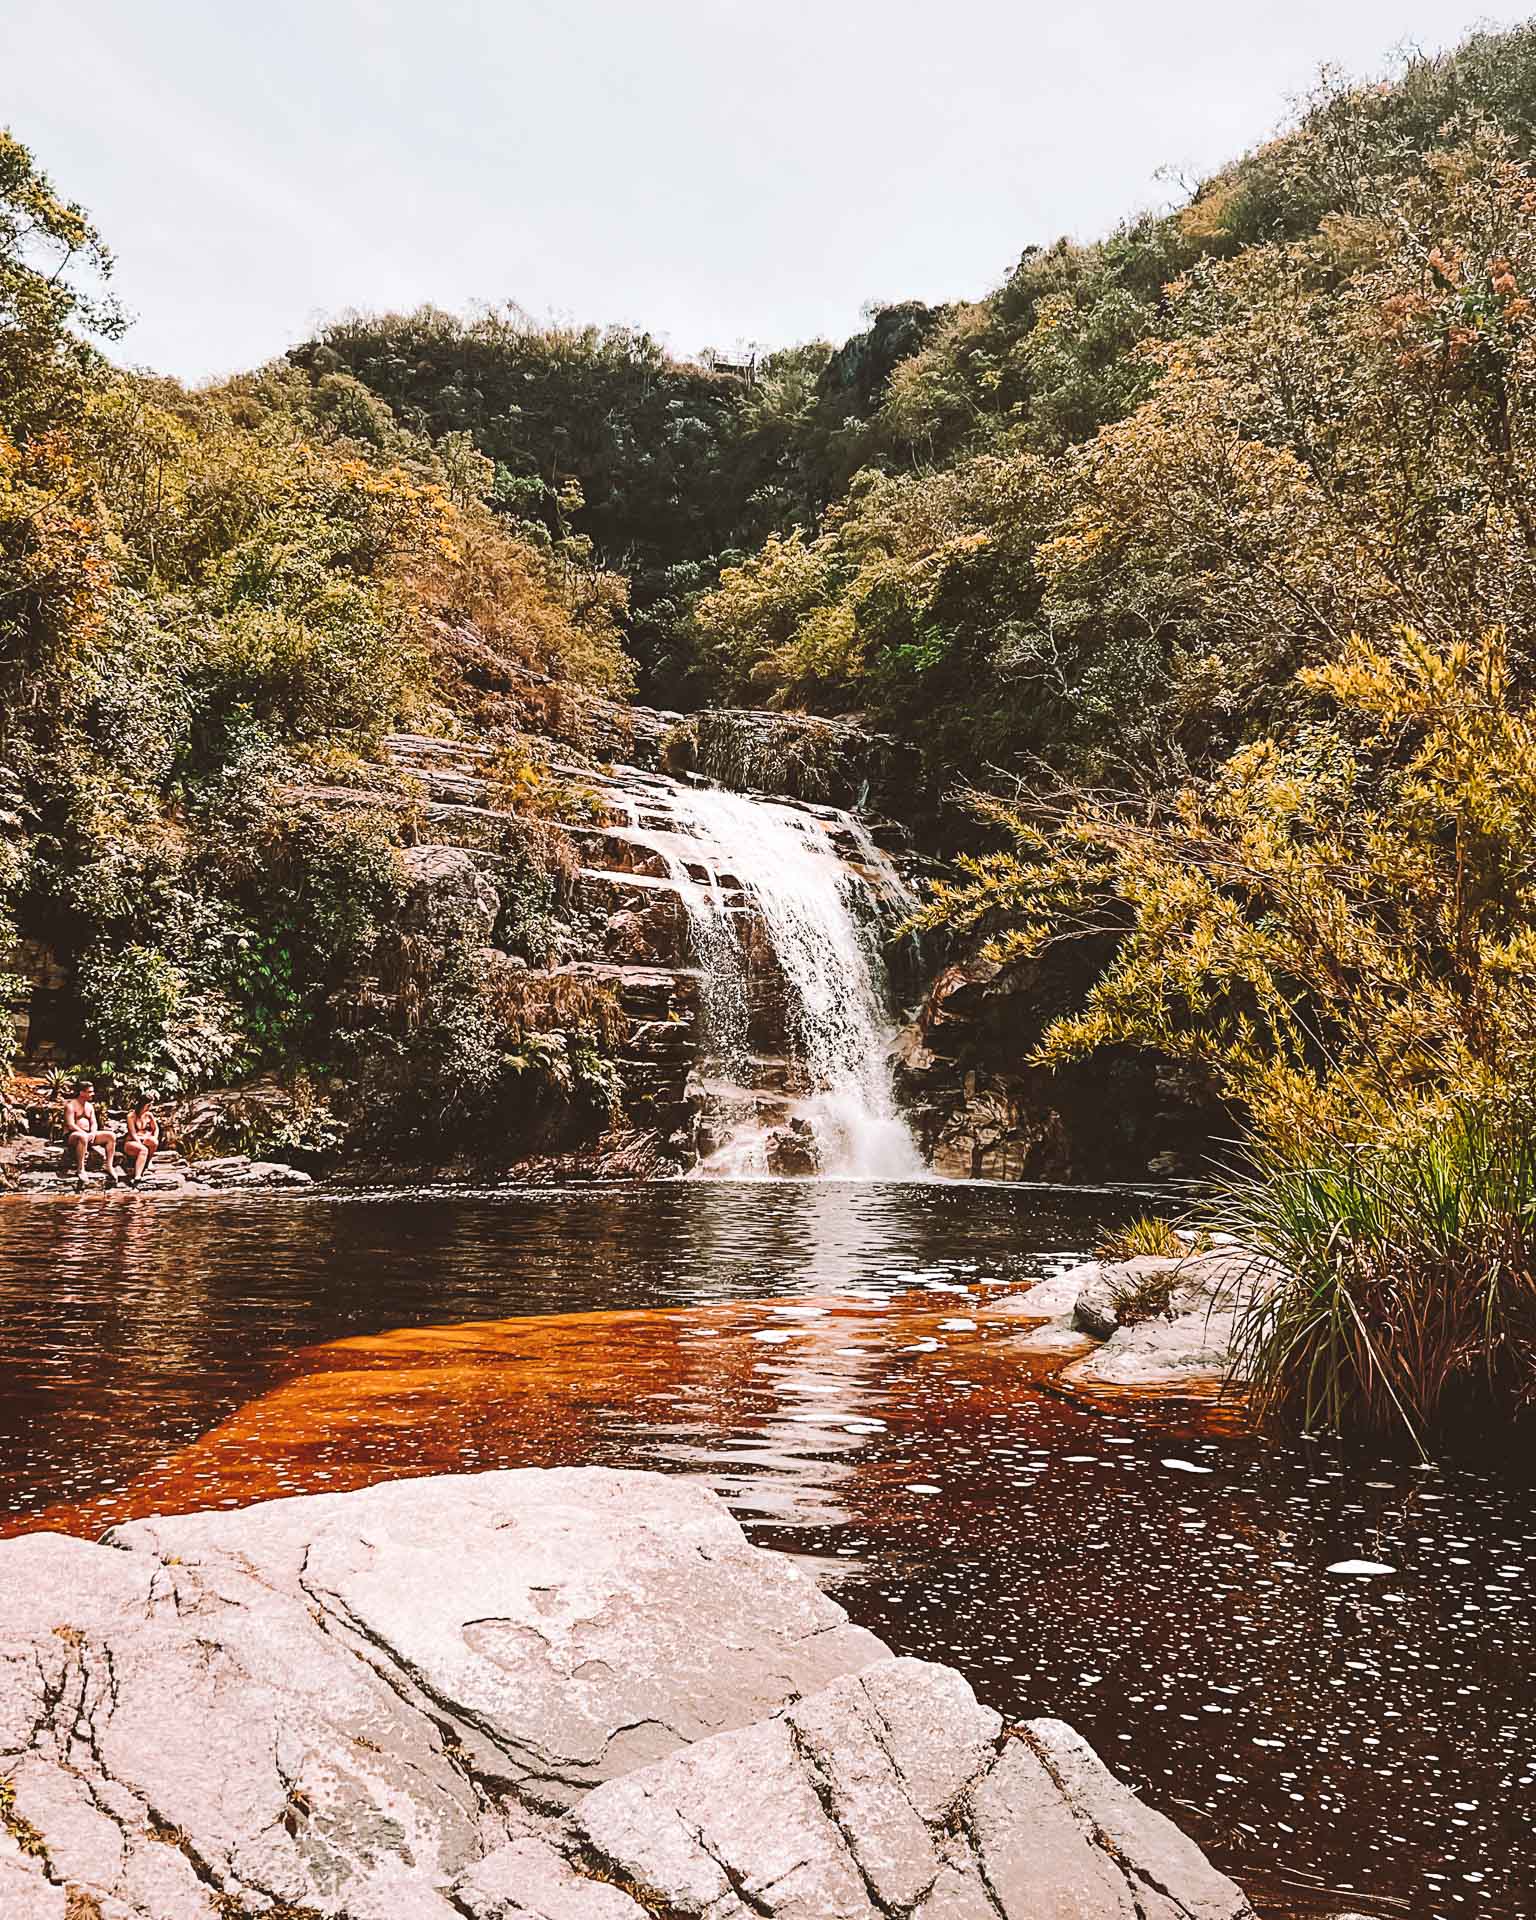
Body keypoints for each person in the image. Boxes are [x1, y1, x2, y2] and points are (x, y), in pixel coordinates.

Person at [62, 1080, 118, 1189]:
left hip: (88, 1135)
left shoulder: (89, 1106)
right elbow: (70, 1124)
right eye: (90, 1092)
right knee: (82, 1137)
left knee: (111, 1136)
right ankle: (80, 1169)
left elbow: (94, 1123)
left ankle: (109, 1165)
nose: (93, 1094)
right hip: (72, 1135)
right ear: (82, 1093)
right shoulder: (70, 1106)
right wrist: (84, 1133)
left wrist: (92, 1133)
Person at [123, 1097, 160, 1183]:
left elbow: (156, 1128)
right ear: (144, 1105)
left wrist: (154, 1137)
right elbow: (132, 1133)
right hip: (131, 1141)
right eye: (149, 1105)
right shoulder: (131, 1116)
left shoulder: (149, 1115)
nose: (150, 1107)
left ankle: (149, 1161)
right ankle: (137, 1176)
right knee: (143, 1149)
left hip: (144, 1138)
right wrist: (140, 1143)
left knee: (154, 1142)